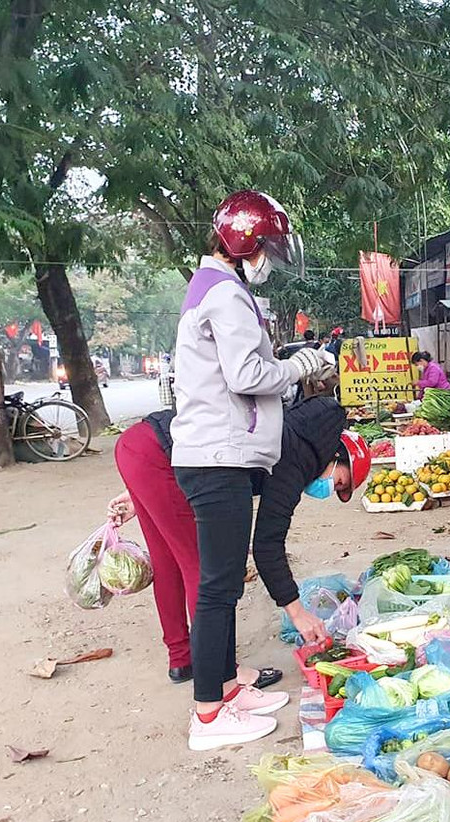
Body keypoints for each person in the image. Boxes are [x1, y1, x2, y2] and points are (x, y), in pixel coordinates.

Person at [169, 188, 336, 752]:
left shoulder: (216, 287)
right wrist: (300, 365)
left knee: (222, 586)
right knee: (217, 588)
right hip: (217, 457)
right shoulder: (226, 295)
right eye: (265, 246)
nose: (268, 257)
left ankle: (227, 690)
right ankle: (209, 716)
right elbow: (245, 375)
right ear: (243, 241)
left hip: (219, 455)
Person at [107, 396, 370, 691]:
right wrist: (297, 612)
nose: (330, 490)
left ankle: (181, 658)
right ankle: (224, 671)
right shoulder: (295, 458)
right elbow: (267, 545)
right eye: (340, 483)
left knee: (167, 562)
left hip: (144, 447)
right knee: (205, 568)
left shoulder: (284, 426)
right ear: (334, 455)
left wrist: (144, 486)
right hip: (162, 457)